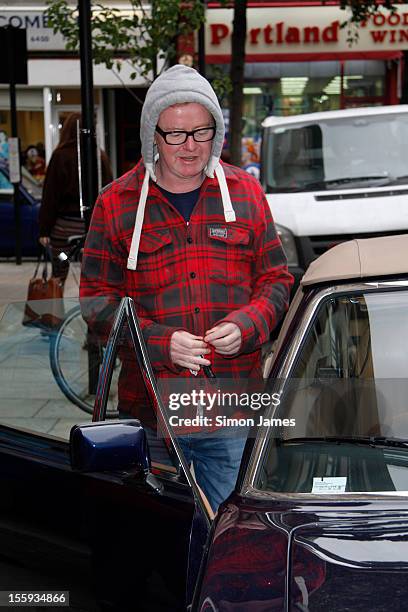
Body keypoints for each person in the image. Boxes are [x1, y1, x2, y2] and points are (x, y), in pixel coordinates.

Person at [80, 65, 293, 512]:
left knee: (231, 539)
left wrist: (248, 325)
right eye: (175, 134)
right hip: (149, 411)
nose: (191, 146)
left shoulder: (247, 192)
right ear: (152, 135)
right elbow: (97, 301)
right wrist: (159, 343)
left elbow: (277, 279)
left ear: (216, 131)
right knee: (156, 542)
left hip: (232, 408)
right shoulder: (115, 203)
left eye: (201, 131)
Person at [39, 113, 112, 286]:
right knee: (94, 276)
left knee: (59, 272)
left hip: (64, 229)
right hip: (94, 228)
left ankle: (56, 308)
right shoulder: (99, 155)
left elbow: (50, 196)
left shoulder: (60, 156)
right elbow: (109, 190)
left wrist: (44, 230)